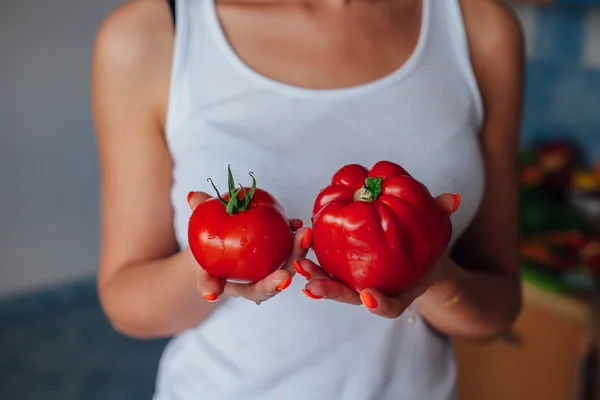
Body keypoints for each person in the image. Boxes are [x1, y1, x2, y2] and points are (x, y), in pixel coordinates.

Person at [91, 0, 524, 397]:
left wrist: (433, 275)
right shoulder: (150, 34)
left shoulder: (479, 27)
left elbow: (499, 308)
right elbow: (126, 305)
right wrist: (213, 261)